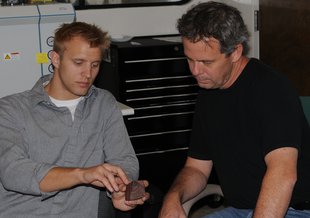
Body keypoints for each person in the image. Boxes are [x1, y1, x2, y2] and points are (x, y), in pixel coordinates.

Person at [159, 1, 310, 218]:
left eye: (206, 62)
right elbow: (197, 169)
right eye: (189, 59)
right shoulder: (209, 90)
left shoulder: (271, 89)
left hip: (292, 210)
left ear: (236, 52)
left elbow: (283, 174)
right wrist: (173, 197)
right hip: (240, 210)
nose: (195, 71)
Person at [0, 21, 149, 217]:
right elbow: (14, 172)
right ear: (56, 59)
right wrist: (83, 174)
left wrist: (121, 186)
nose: (88, 74)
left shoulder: (104, 104)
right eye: (78, 63)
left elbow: (124, 159)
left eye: (95, 65)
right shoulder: (11, 109)